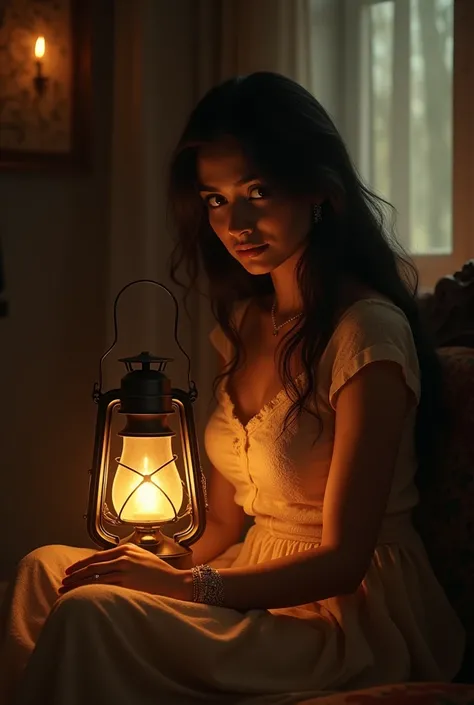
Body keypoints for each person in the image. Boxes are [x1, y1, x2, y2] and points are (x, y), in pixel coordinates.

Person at [0, 72, 465, 705]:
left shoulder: (367, 333)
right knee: (44, 572)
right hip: (245, 571)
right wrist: (176, 559)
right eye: (215, 199)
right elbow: (224, 520)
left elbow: (344, 560)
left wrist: (193, 588)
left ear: (319, 192)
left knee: (92, 612)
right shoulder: (247, 322)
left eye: (258, 192)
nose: (235, 221)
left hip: (340, 614)